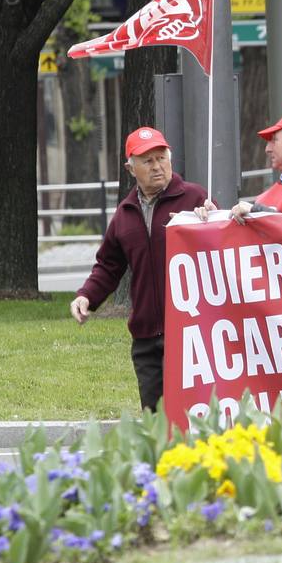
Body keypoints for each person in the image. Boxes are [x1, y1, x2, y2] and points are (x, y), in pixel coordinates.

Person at [71, 127, 208, 412]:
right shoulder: (125, 213)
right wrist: (86, 296)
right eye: (147, 161)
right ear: (130, 168)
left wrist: (210, 223)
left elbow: (221, 249)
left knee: (195, 418)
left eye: (162, 158)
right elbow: (108, 266)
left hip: (190, 332)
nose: (157, 167)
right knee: (155, 422)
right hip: (146, 339)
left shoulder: (196, 200)